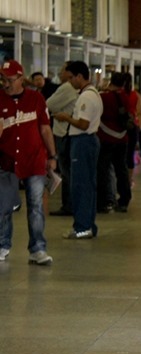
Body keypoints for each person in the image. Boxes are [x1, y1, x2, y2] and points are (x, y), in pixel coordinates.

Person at [0, 60, 57, 264]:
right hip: (6, 161)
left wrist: (52, 156)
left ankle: (38, 249)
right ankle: (2, 244)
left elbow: (45, 129)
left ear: (21, 78)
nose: (6, 84)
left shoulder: (36, 99)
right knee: (4, 206)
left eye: (10, 80)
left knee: (35, 206)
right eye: (3, 79)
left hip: (34, 160)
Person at [54, 60, 103, 240]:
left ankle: (82, 226)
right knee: (88, 185)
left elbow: (83, 124)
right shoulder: (92, 94)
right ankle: (88, 225)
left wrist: (66, 117)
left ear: (79, 77)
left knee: (80, 185)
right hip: (86, 142)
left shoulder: (86, 97)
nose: (69, 82)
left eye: (70, 78)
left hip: (83, 142)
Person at [46, 61, 79, 216]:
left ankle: (69, 205)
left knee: (66, 171)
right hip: (68, 133)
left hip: (63, 133)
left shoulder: (67, 88)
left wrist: (57, 113)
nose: (60, 72)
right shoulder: (73, 89)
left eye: (63, 70)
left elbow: (49, 105)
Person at [96, 72, 132, 213]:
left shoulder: (103, 97)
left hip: (106, 137)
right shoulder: (126, 97)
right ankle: (124, 199)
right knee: (121, 169)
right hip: (122, 138)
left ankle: (104, 200)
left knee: (103, 170)